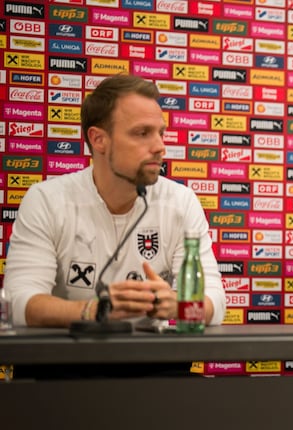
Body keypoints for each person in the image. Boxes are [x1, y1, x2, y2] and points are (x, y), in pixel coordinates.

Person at [4, 74, 225, 331]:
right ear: (99, 140)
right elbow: (18, 303)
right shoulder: (46, 200)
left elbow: (215, 304)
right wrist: (95, 310)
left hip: (154, 364)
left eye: (160, 133)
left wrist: (178, 305)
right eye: (142, 133)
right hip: (65, 362)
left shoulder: (180, 201)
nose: (160, 146)